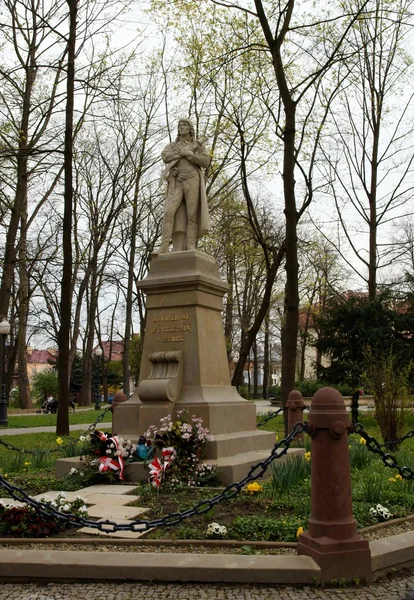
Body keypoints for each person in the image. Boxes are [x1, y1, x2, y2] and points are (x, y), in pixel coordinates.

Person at [156, 118, 211, 253]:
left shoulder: (198, 146)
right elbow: (165, 156)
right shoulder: (173, 146)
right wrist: (178, 155)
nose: (181, 127)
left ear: (190, 128)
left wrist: (190, 155)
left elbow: (205, 161)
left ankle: (191, 246)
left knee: (192, 215)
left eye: (184, 125)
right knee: (169, 212)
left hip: (192, 179)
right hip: (177, 180)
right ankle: (164, 246)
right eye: (180, 125)